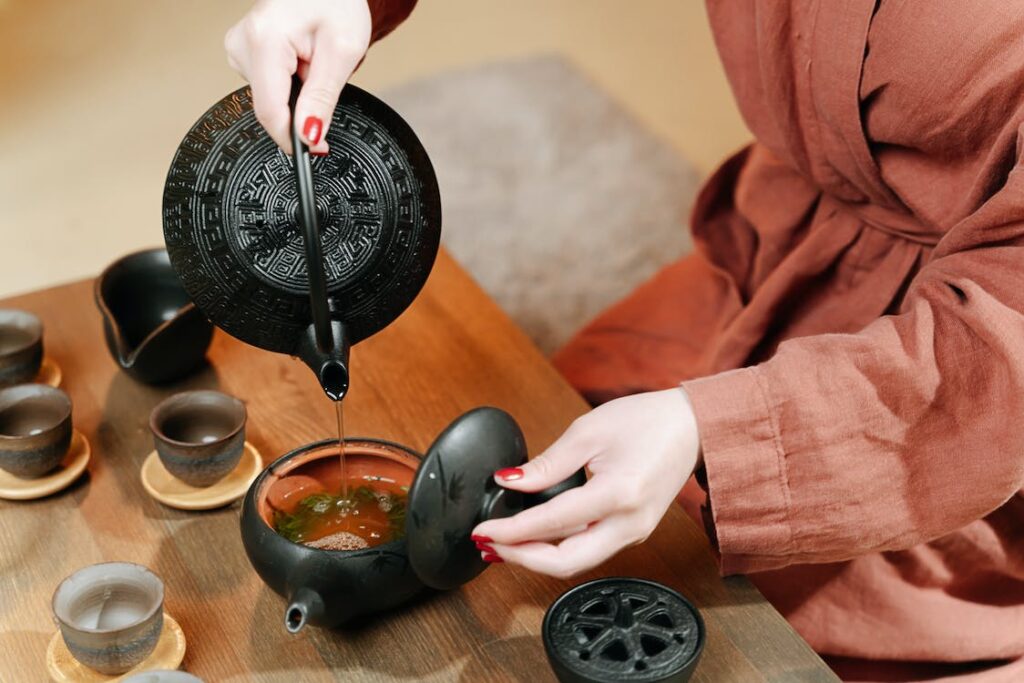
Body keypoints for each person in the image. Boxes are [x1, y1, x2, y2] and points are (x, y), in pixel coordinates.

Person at [226, 1, 1024, 680]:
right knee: (558, 424)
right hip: (772, 244)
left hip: (946, 395)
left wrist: (711, 430)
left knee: (726, 627)